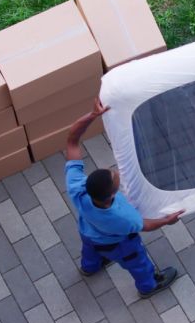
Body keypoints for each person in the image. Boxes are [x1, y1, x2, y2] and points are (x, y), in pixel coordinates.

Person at [63, 105, 183, 297]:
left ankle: (90, 267)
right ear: (112, 195)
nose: (117, 172)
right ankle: (149, 286)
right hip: (118, 245)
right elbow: (146, 225)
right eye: (116, 177)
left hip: (88, 233)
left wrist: (92, 116)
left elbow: (72, 140)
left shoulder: (77, 188)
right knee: (138, 263)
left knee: (90, 250)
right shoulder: (123, 217)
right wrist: (167, 221)